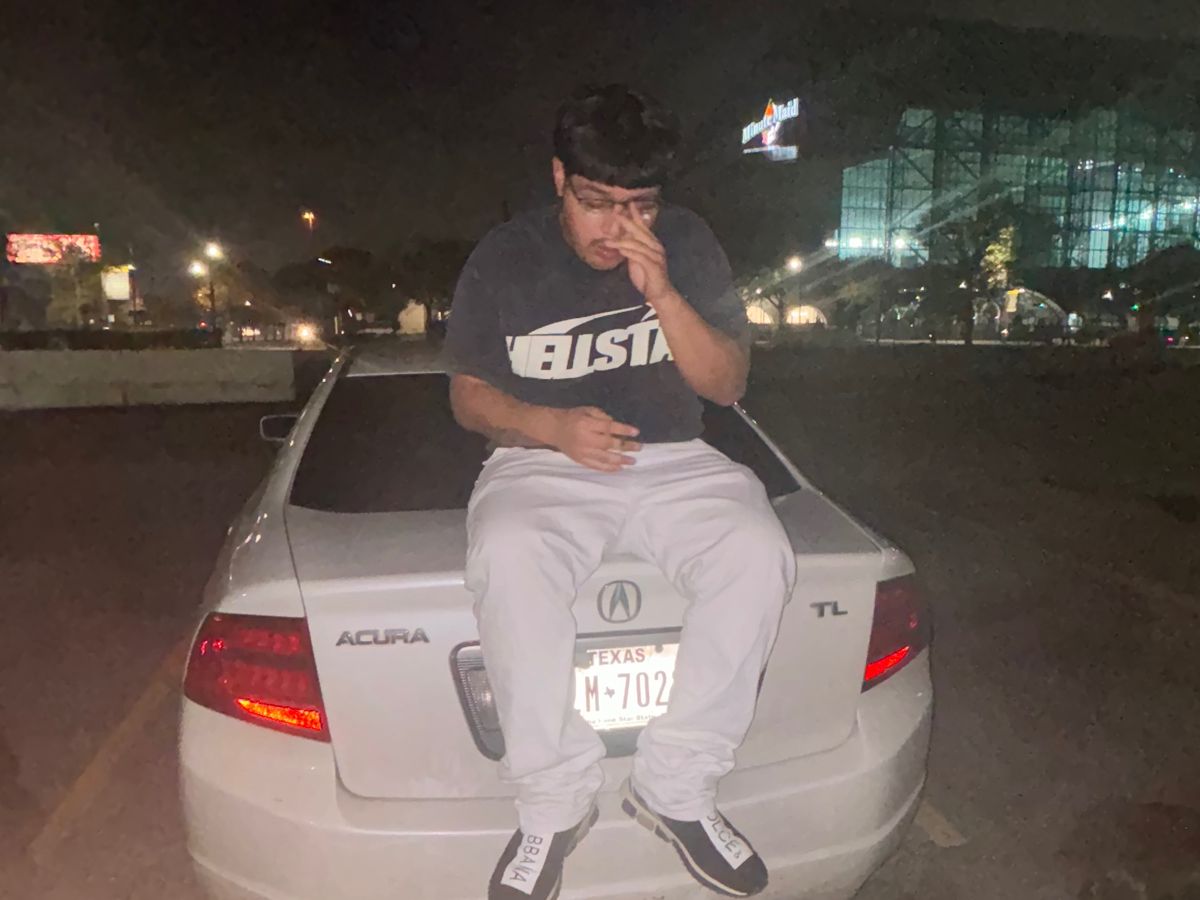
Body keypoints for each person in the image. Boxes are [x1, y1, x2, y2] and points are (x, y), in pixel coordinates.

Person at [444, 84, 797, 900]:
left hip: (672, 458)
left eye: (639, 205)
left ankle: (676, 785)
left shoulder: (686, 242)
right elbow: (467, 396)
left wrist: (663, 292)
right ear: (559, 180)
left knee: (757, 551)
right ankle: (554, 804)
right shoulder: (506, 255)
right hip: (542, 458)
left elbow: (725, 385)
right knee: (509, 554)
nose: (617, 226)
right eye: (597, 203)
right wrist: (549, 425)